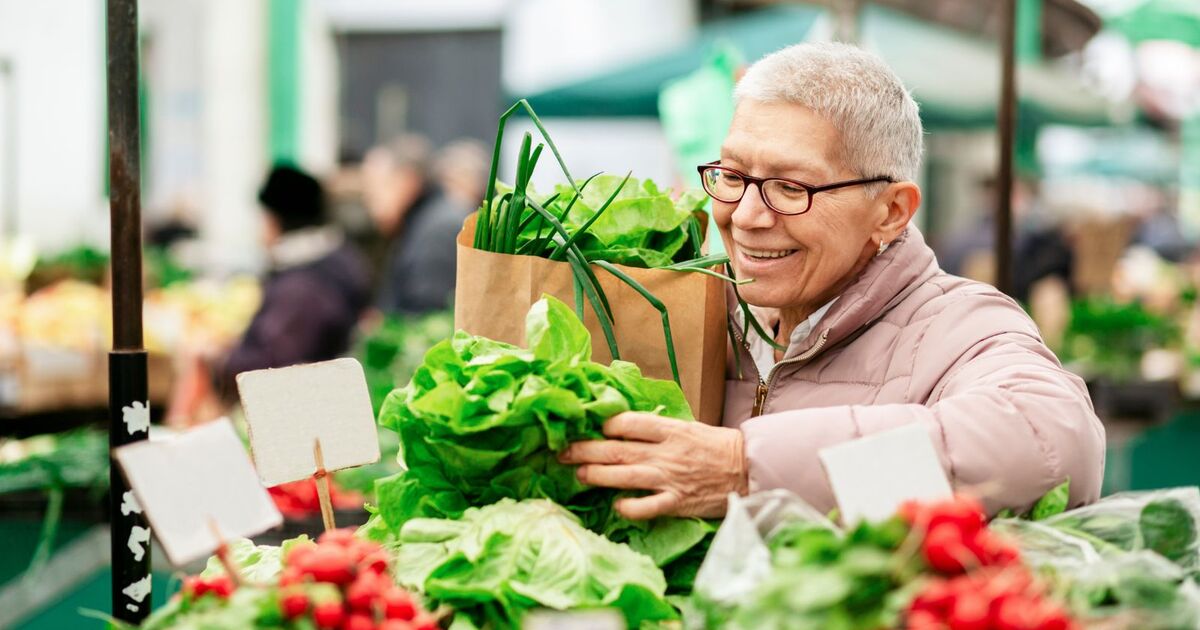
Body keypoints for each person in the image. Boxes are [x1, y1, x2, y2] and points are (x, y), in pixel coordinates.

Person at [560, 42, 1105, 520]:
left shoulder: (957, 326)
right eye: (732, 175)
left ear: (891, 211)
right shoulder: (681, 304)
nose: (745, 215)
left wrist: (746, 470)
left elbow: (1056, 445)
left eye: (791, 187)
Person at [216, 164, 371, 398]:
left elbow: (271, 367)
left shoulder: (301, 287)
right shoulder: (337, 259)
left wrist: (220, 362)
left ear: (275, 220)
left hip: (304, 402)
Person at [361, 134, 475, 315]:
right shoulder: (423, 221)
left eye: (374, 190)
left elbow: (427, 314)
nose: (369, 203)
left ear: (407, 180)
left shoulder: (437, 231)